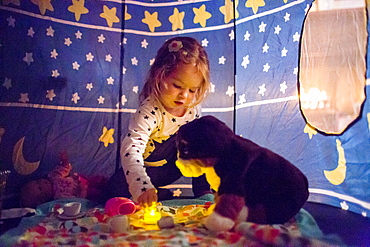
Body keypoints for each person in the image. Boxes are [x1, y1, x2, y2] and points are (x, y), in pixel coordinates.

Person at [106, 37, 212, 207]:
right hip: (148, 169)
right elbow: (131, 150)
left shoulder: (193, 110)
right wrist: (141, 187)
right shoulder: (149, 110)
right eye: (177, 86)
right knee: (114, 189)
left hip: (175, 166)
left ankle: (204, 194)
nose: (184, 96)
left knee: (205, 140)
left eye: (192, 90)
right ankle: (156, 193)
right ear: (159, 75)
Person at [20, 152, 107, 208]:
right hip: (85, 191)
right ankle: (108, 194)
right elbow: (79, 201)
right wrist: (82, 189)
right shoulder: (59, 198)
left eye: (37, 181)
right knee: (97, 195)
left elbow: (64, 168)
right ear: (43, 199)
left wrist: (64, 161)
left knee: (98, 179)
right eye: (40, 188)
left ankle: (107, 182)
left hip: (82, 180)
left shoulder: (53, 177)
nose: (42, 183)